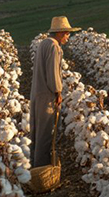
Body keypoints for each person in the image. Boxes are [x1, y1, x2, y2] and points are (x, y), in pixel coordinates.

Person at [30, 16, 80, 167]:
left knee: (37, 133)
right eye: (66, 33)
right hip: (47, 95)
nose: (67, 37)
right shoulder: (54, 46)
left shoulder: (44, 43)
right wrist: (58, 93)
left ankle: (34, 165)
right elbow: (53, 74)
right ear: (59, 32)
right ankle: (42, 169)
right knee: (45, 135)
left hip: (38, 93)